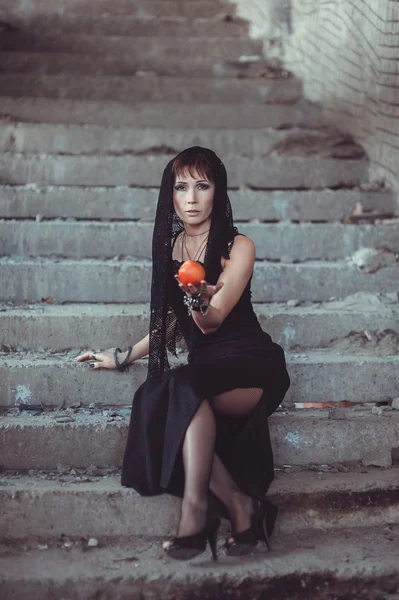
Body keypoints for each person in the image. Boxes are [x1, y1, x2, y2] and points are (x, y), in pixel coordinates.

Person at [76, 147, 290, 561]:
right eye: (181, 187)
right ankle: (243, 507)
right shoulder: (171, 247)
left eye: (202, 186)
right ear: (170, 195)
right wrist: (125, 356)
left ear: (217, 192)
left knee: (180, 388)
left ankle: (196, 511)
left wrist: (200, 299)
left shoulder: (238, 246)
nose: (191, 198)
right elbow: (172, 322)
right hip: (205, 370)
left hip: (249, 364)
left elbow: (211, 321)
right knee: (160, 393)